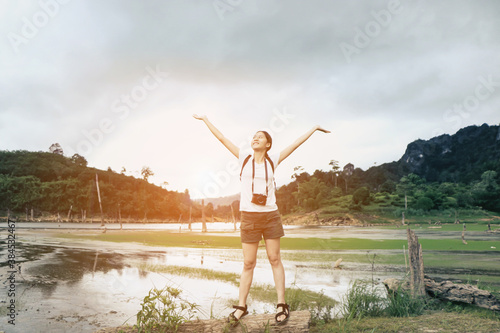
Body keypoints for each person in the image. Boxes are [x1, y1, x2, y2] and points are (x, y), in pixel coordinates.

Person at [193, 114, 330, 326]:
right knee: (248, 263)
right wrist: (205, 119)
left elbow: (295, 144)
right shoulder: (243, 158)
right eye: (254, 137)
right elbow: (221, 138)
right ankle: (241, 306)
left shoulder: (272, 160)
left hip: (270, 215)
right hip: (248, 216)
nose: (255, 139)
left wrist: (314, 128)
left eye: (260, 137)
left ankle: (281, 304)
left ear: (268, 144)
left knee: (275, 259)